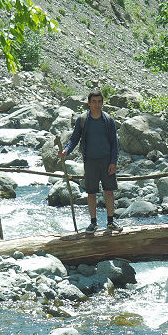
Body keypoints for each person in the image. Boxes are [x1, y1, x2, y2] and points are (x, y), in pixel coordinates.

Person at [59, 90, 122, 234]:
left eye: (99, 101)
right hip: (90, 161)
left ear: (102, 102)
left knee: (109, 192)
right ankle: (93, 223)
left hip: (107, 161)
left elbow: (114, 143)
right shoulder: (83, 120)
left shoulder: (108, 119)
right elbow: (74, 139)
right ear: (89, 103)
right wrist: (66, 151)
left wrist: (113, 162)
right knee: (91, 193)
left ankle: (110, 222)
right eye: (94, 101)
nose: (97, 104)